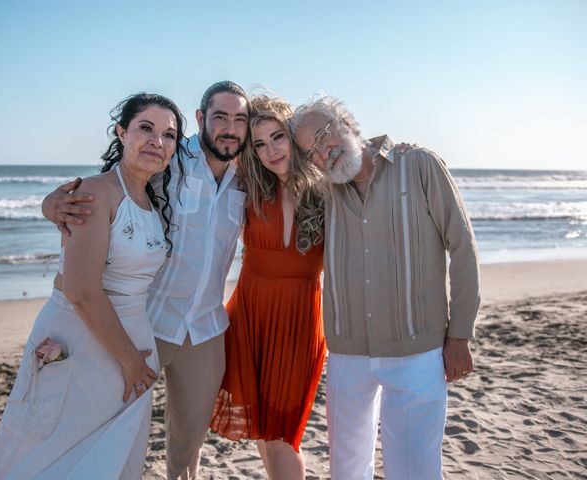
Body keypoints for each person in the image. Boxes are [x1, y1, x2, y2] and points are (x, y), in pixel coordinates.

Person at [41, 81, 250, 480]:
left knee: (189, 439)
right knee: (115, 428)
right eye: (220, 117)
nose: (230, 128)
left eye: (239, 119)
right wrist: (51, 203)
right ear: (202, 119)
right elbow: (113, 189)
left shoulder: (248, 175)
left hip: (205, 327)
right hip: (145, 320)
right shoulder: (169, 155)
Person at [0, 93, 187, 479]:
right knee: (55, 453)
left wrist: (135, 361)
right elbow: (80, 290)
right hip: (83, 340)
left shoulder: (152, 198)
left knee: (108, 456)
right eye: (146, 128)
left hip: (129, 346)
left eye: (169, 135)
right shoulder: (95, 192)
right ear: (121, 133)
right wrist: (131, 361)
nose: (157, 141)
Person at [290, 96, 480, 480]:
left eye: (324, 135)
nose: (324, 152)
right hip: (346, 356)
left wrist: (459, 335)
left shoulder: (419, 165)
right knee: (346, 471)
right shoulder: (322, 194)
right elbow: (272, 169)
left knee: (415, 470)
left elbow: (462, 248)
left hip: (417, 353)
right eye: (311, 152)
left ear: (347, 122)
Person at [209, 96, 326, 479]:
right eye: (259, 143)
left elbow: (368, 174)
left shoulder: (327, 193)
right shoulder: (247, 185)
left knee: (283, 435)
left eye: (278, 137)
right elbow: (192, 165)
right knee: (263, 430)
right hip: (249, 316)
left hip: (298, 322)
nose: (271, 150)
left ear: (294, 137)